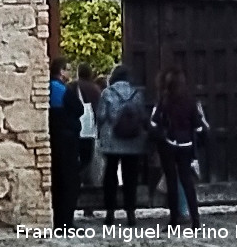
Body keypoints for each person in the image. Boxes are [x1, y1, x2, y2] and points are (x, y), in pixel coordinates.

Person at [150, 66, 209, 228]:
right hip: (186, 144)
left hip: (169, 143)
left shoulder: (165, 100)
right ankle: (195, 219)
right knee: (187, 181)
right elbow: (198, 125)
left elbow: (154, 122)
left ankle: (174, 219)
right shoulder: (190, 101)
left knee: (172, 182)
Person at [97, 63, 147, 226]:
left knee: (110, 175)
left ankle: (110, 212)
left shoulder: (107, 93)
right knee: (130, 177)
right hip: (133, 141)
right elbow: (142, 116)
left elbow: (101, 115)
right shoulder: (137, 94)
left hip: (112, 140)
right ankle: (130, 212)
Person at [49, 56, 83, 228]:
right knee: (69, 181)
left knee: (56, 179)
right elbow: (79, 109)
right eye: (68, 69)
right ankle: (66, 221)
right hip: (67, 140)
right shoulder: (63, 90)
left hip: (54, 139)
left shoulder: (48, 87)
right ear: (61, 71)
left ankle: (57, 218)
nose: (69, 73)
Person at [69, 63, 102, 185]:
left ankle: (76, 179)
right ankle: (86, 179)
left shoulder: (71, 86)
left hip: (75, 128)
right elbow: (99, 109)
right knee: (88, 157)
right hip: (90, 129)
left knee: (74, 156)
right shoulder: (95, 89)